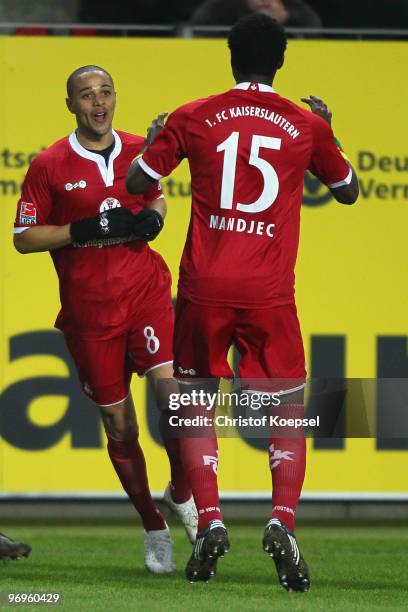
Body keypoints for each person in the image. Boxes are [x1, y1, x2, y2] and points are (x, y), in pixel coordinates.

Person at [126, 13, 358, 589]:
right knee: (287, 409)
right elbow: (348, 192)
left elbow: (136, 184)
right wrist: (328, 129)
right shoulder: (304, 123)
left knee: (194, 403)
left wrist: (156, 141)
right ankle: (282, 519)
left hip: (205, 285)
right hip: (269, 292)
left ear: (229, 57)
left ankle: (208, 521)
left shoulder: (194, 114)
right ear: (281, 61)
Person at [13, 65, 198, 574]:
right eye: (86, 95)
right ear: (71, 104)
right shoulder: (49, 164)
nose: (98, 102)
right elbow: (24, 237)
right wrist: (82, 228)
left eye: (105, 92)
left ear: (116, 98)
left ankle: (181, 491)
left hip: (146, 295)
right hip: (90, 314)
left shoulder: (142, 147)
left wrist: (155, 217)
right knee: (120, 424)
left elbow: (155, 192)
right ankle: (152, 526)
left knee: (178, 403)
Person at [191, 0, 322, 28]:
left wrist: (287, 18)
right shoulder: (219, 7)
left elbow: (316, 33)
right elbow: (198, 32)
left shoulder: (296, 9)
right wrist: (256, 20)